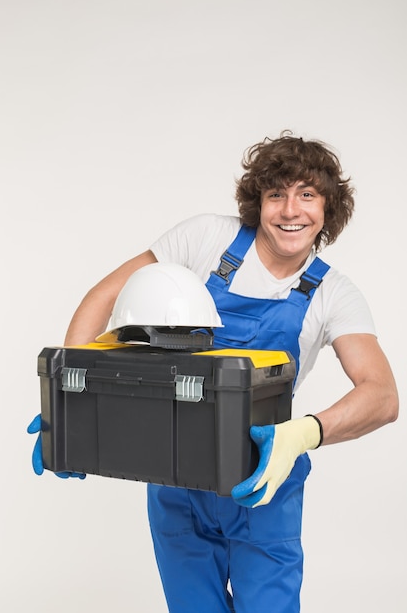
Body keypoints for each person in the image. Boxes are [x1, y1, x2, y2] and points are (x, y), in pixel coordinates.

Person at [42, 133, 400, 612]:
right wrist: (71, 402)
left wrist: (303, 434)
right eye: (277, 194)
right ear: (259, 203)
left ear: (328, 207)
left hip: (262, 481)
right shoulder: (207, 239)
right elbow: (107, 295)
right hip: (172, 471)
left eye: (307, 195)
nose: (291, 210)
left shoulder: (335, 294)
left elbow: (382, 395)